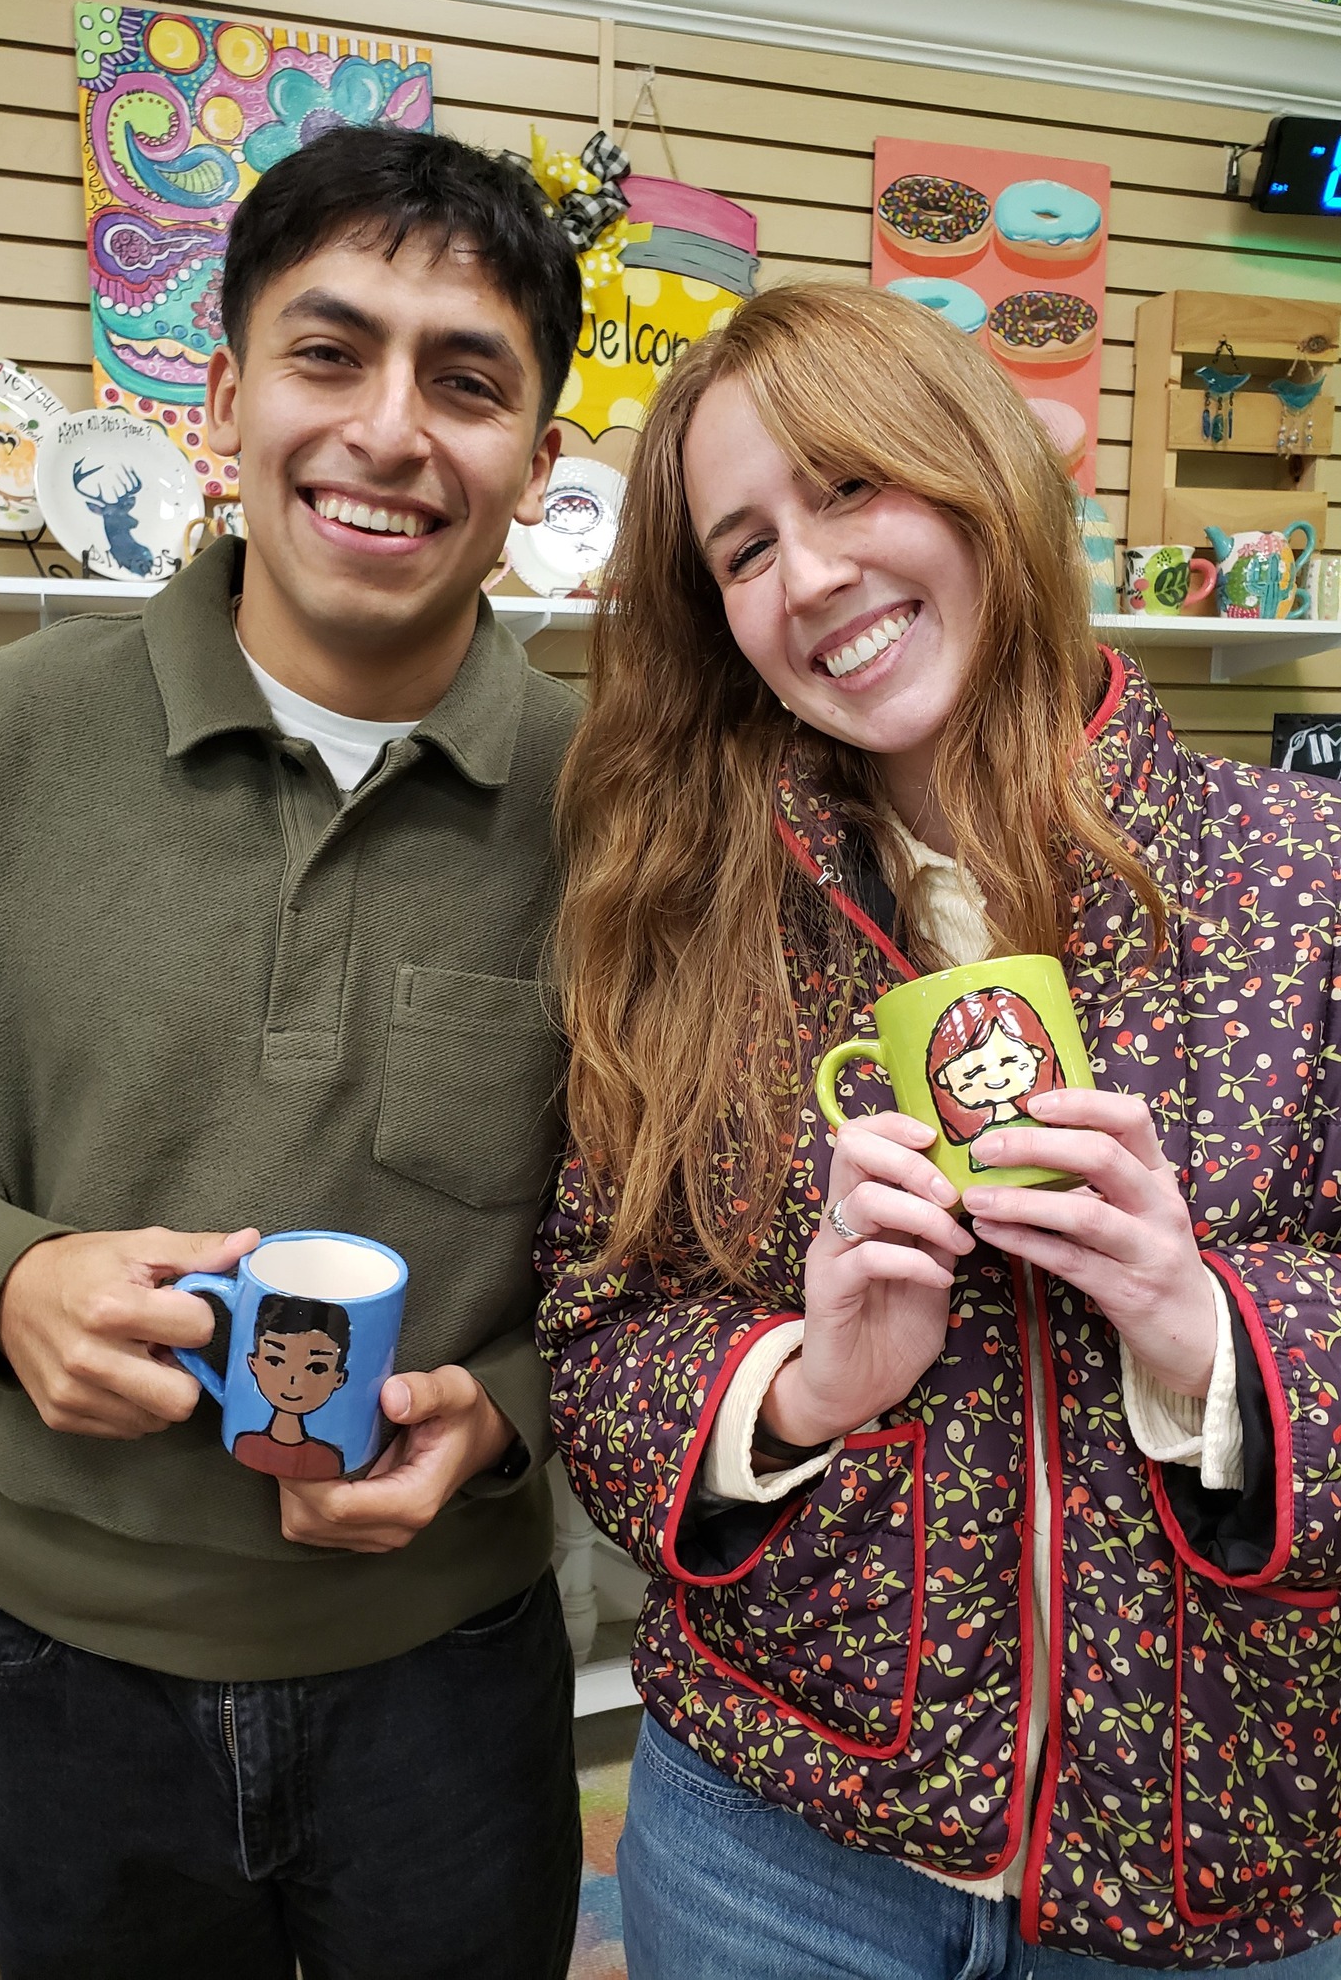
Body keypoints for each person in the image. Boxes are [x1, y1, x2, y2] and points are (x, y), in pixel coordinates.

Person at [0, 127, 584, 1980]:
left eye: (466, 382)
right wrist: (0, 1280)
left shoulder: (620, 818)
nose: (390, 430)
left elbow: (687, 1227)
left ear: (537, 470)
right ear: (225, 408)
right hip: (58, 1670)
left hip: (453, 1676)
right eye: (329, 353)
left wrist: (511, 1405)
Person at [537, 282, 1341, 1977]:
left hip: (1221, 1850)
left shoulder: (1304, 878)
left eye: (850, 486)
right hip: (776, 1840)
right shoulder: (691, 922)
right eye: (744, 549)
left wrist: (1212, 1333)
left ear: (981, 477)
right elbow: (597, 1333)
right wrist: (800, 1386)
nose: (809, 574)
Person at [233, 1293, 350, 1480]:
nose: (294, 1379)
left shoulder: (327, 1459)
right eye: (275, 1360)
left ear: (339, 1378)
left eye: (316, 1367)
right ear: (253, 1363)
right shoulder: (245, 1445)